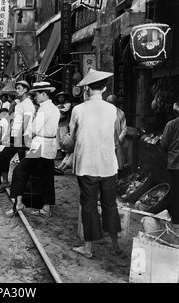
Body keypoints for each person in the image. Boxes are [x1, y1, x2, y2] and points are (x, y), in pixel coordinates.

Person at [69, 68, 122, 258]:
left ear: (87, 89)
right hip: (108, 165)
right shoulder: (113, 110)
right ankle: (115, 244)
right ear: (105, 88)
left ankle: (88, 248)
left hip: (87, 165)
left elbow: (72, 137)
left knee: (89, 204)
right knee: (110, 204)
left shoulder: (78, 109)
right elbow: (115, 136)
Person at [9, 81, 60, 218]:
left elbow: (34, 128)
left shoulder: (43, 109)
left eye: (37, 94)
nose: (35, 97)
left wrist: (26, 138)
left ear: (44, 94)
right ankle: (46, 207)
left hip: (39, 146)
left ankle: (18, 203)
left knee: (20, 171)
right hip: (50, 146)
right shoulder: (54, 108)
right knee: (47, 177)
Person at [0, 80, 35, 190]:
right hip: (15, 135)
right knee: (3, 157)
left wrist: (19, 135)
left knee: (23, 163)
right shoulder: (19, 104)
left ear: (26, 90)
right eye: (16, 88)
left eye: (19, 89)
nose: (17, 91)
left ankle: (25, 187)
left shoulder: (28, 104)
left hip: (23, 136)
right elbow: (14, 121)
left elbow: (26, 122)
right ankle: (5, 182)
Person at [160, 100, 179, 234]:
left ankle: (176, 219)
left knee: (176, 191)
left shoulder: (171, 125)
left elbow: (164, 144)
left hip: (175, 163)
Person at [106, 94, 127, 174]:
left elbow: (124, 129)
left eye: (113, 103)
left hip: (118, 143)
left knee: (117, 165)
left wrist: (119, 140)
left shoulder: (121, 113)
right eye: (110, 103)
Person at [54, 91, 72, 159]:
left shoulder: (68, 104)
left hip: (64, 125)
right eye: (60, 97)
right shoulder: (57, 106)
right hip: (58, 125)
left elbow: (64, 111)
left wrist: (58, 111)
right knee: (58, 140)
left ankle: (66, 156)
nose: (61, 98)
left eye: (62, 97)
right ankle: (59, 155)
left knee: (65, 140)